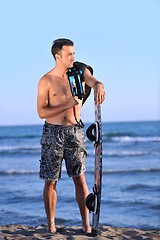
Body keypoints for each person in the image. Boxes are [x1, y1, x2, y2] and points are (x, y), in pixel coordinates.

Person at [37, 38, 106, 233]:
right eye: (69, 54)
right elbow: (42, 112)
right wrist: (66, 105)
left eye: (74, 53)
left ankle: (86, 225)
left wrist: (99, 85)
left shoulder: (78, 70)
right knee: (51, 180)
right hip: (53, 133)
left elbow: (92, 80)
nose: (72, 57)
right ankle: (51, 226)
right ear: (58, 56)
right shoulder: (46, 81)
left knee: (80, 178)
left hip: (75, 131)